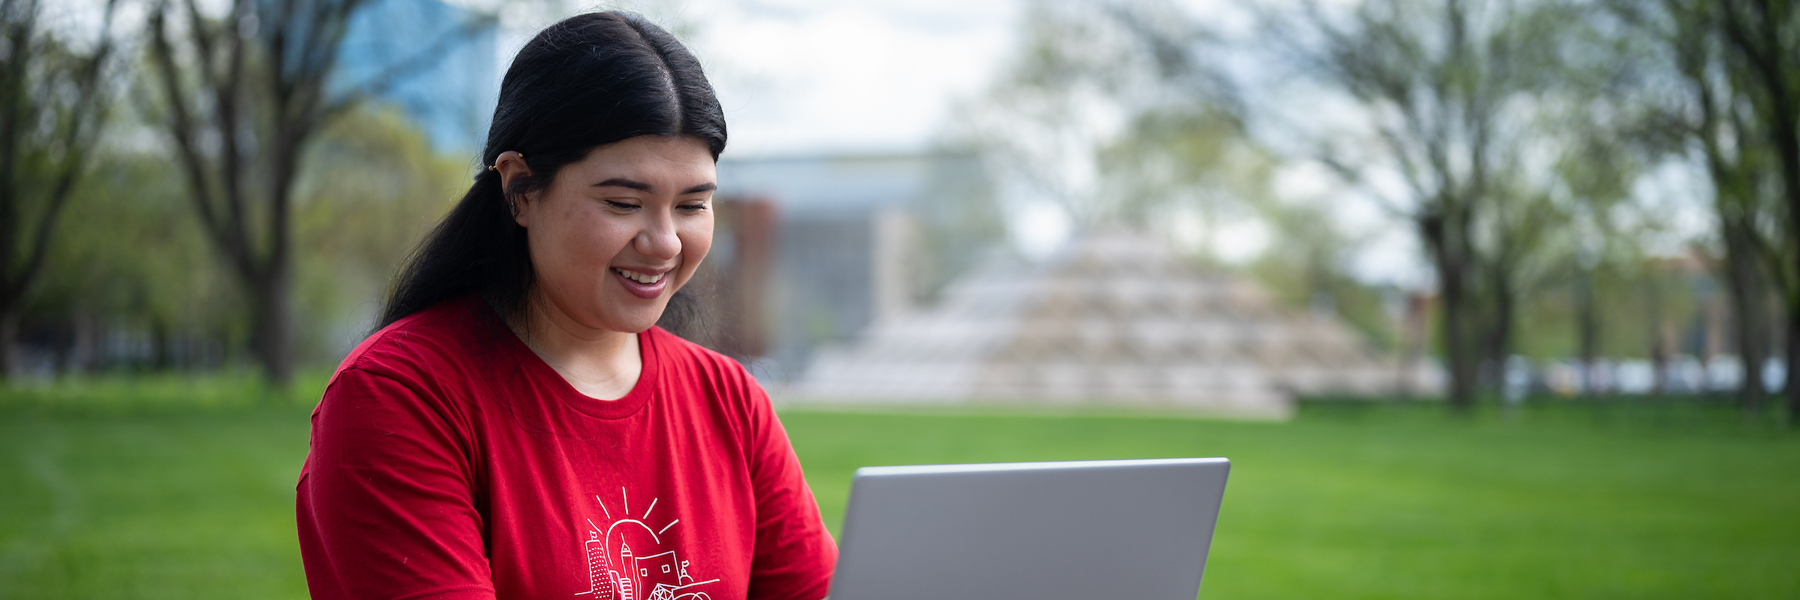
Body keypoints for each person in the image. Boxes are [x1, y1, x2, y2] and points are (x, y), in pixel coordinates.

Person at [295, 12, 838, 600]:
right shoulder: (399, 396)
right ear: (520, 189)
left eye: (691, 206)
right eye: (624, 203)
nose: (665, 243)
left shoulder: (730, 403)